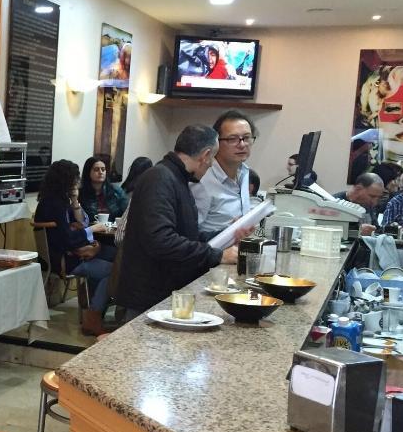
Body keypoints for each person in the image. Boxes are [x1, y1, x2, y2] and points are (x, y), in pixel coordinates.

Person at [116, 125, 247, 320]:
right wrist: (216, 255)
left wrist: (229, 233)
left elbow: (187, 234)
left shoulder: (177, 179)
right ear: (206, 155)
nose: (212, 165)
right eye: (213, 158)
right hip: (150, 295)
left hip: (164, 290)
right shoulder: (160, 178)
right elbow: (161, 241)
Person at [34, 160, 114, 335]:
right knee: (113, 271)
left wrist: (75, 200)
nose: (78, 181)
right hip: (64, 260)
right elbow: (68, 240)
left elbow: (81, 222)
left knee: (105, 256)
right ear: (66, 179)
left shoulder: (55, 200)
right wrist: (92, 230)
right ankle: (93, 316)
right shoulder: (55, 205)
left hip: (64, 254)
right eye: (75, 177)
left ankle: (92, 311)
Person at [192, 110, 255, 239]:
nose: (242, 144)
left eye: (247, 138)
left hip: (237, 248)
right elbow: (188, 233)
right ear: (216, 143)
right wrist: (227, 233)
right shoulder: (202, 180)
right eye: (233, 139)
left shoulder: (244, 172)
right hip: (210, 250)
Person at [79, 156, 128, 223]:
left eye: (103, 169)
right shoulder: (81, 193)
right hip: (92, 228)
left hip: (113, 228)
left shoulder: (116, 190)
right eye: (96, 169)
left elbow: (127, 212)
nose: (101, 172)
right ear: (88, 172)